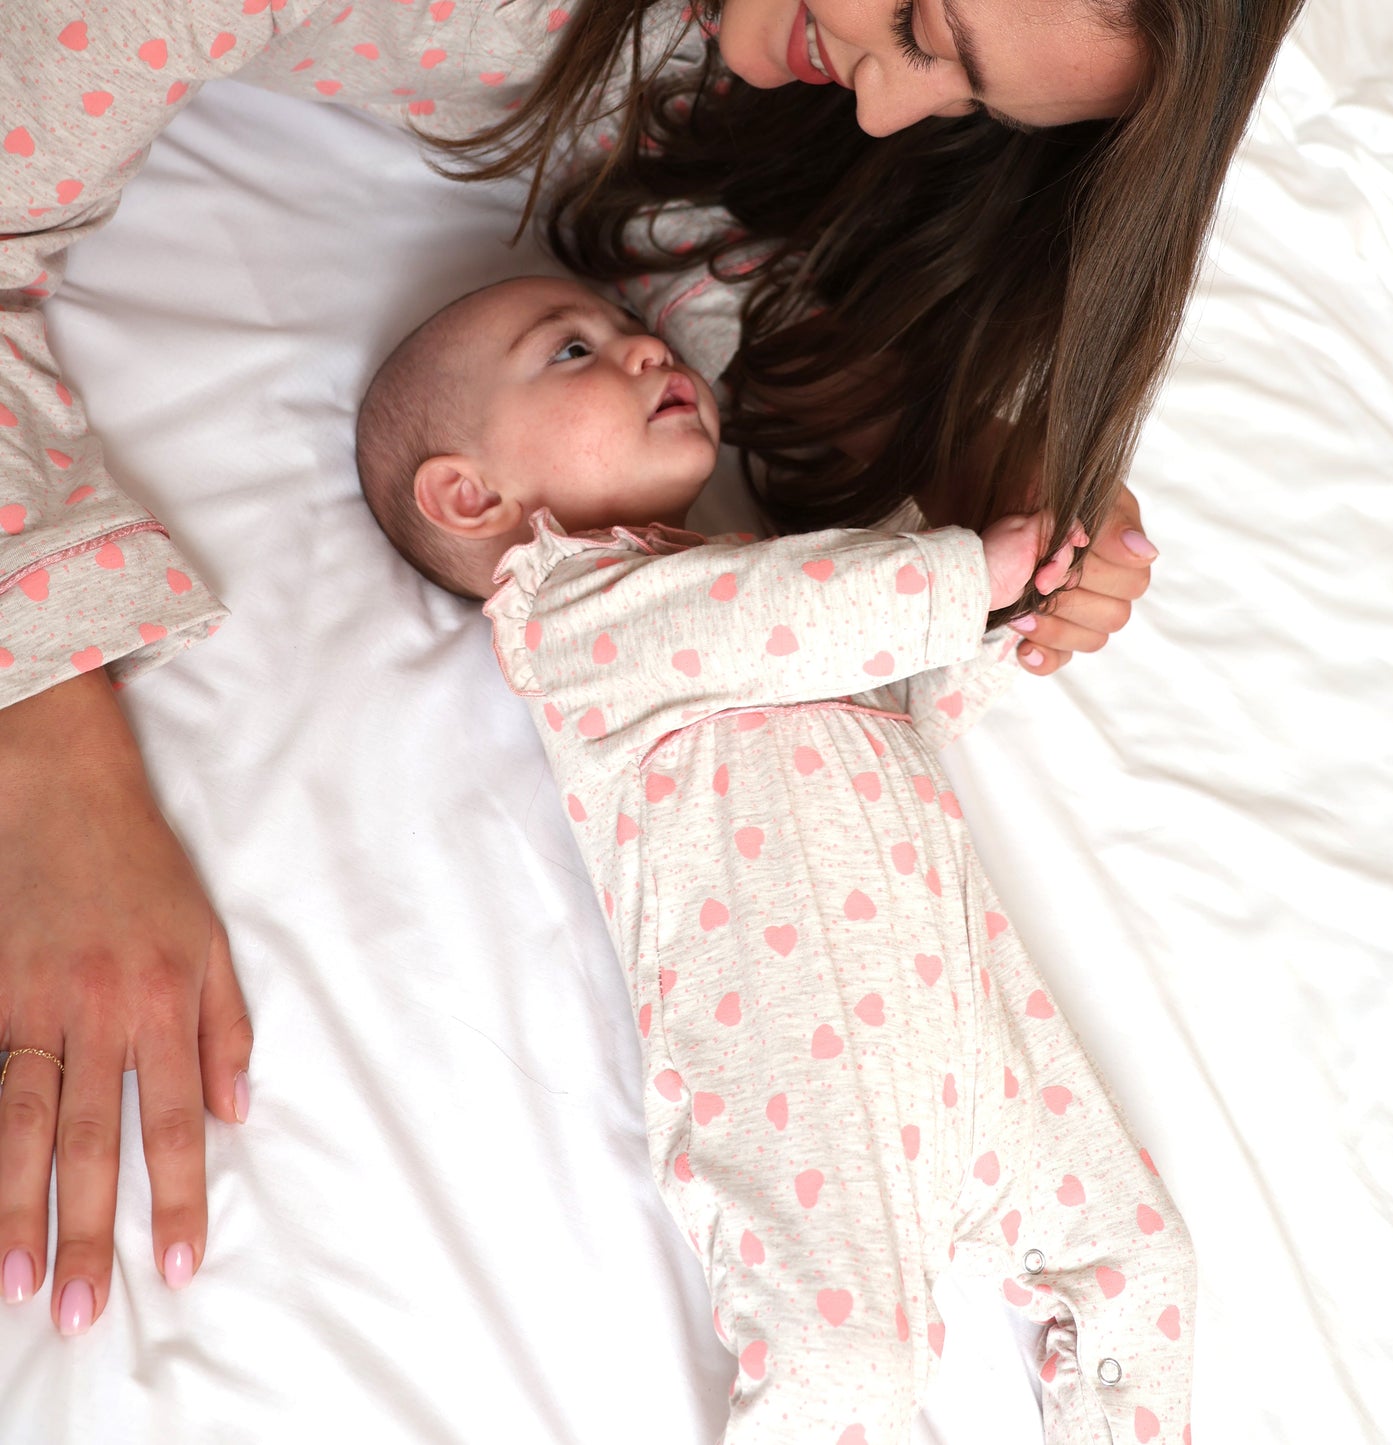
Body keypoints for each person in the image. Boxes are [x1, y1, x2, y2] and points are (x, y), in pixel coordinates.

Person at [0, 0, 1299, 1334]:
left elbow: (700, 238)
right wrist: (46, 739)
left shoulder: (786, 100)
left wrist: (965, 455)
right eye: (917, 24)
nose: (882, 110)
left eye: (966, 101)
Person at [354, 272, 1196, 1442]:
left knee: (1141, 1261)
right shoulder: (568, 616)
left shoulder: (776, 575)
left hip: (971, 1020)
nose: (645, 350)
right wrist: (969, 574)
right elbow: (780, 614)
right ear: (469, 493)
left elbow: (896, 682)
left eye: (632, 328)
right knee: (844, 1366)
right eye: (571, 350)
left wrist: (1018, 616)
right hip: (801, 1068)